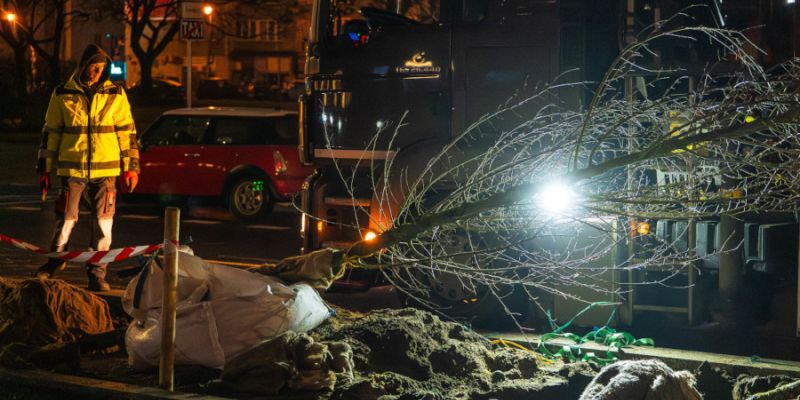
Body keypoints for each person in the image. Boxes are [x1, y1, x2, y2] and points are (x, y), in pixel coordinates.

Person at [35, 44, 140, 291]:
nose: (95, 72)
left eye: (100, 68)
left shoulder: (116, 94)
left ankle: (97, 274)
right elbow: (50, 132)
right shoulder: (62, 94)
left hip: (106, 173)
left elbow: (128, 133)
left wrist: (132, 167)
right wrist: (44, 169)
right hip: (72, 171)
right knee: (67, 220)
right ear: (83, 66)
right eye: (92, 67)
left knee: (103, 225)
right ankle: (55, 262)